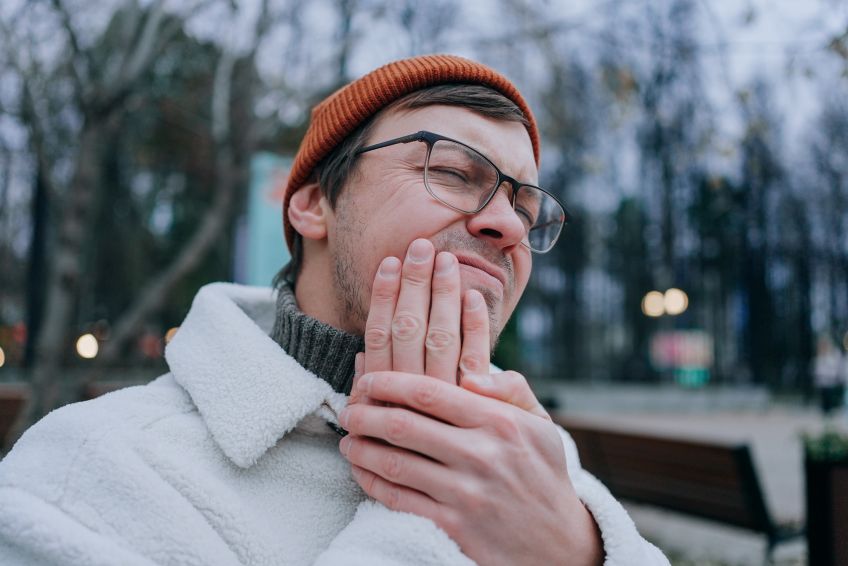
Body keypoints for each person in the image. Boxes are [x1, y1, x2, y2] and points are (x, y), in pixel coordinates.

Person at [0, 55, 668, 565]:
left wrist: (580, 548)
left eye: (525, 207)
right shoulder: (87, 472)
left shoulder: (523, 448)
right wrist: (432, 515)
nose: (508, 226)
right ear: (314, 204)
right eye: (455, 172)